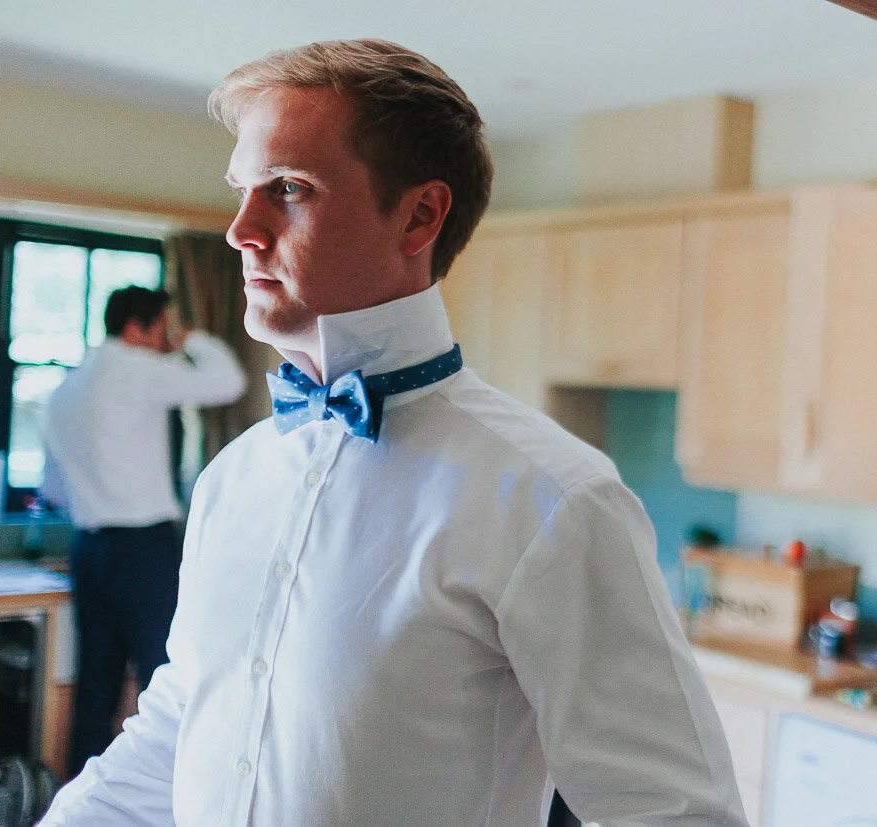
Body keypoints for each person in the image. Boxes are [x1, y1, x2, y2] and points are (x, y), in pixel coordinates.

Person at [41, 39, 748, 826]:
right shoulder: (228, 480)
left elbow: (678, 813)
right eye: (243, 190)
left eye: (288, 188)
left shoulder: (553, 500)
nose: (241, 229)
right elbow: (181, 723)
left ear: (419, 216)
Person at [40, 285, 246, 777]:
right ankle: (168, 797)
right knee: (163, 677)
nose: (165, 339)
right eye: (162, 328)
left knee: (96, 686)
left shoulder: (65, 388)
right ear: (137, 328)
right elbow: (229, 381)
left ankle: (83, 797)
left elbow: (52, 489)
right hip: (144, 550)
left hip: (88, 548)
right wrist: (192, 339)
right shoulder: (139, 371)